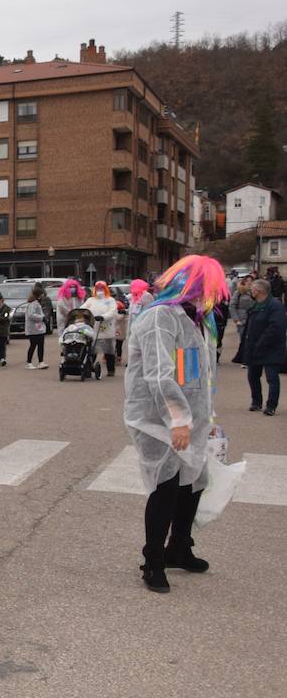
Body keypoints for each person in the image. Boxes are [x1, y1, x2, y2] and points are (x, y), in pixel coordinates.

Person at [123, 254, 228, 593]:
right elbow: (158, 374)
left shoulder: (192, 319)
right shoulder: (160, 318)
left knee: (195, 481)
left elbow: (196, 375)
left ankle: (179, 547)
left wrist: (204, 419)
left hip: (187, 419)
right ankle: (152, 560)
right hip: (155, 419)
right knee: (166, 486)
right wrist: (178, 420)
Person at [234, 278, 286, 416]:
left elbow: (275, 328)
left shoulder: (275, 306)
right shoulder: (254, 305)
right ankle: (256, 402)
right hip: (255, 347)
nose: (251, 290)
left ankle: (271, 405)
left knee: (272, 378)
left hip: (271, 348)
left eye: (253, 288)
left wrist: (261, 343)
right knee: (253, 375)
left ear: (259, 291)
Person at [80, 281, 120, 377]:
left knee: (108, 351)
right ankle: (88, 369)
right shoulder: (91, 300)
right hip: (93, 328)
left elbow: (113, 312)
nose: (99, 290)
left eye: (101, 288)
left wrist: (103, 317)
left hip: (106, 328)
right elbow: (83, 308)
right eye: (97, 288)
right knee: (92, 350)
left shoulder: (110, 300)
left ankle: (111, 370)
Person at [16, 284, 50, 369]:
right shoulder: (33, 304)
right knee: (33, 345)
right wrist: (42, 318)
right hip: (33, 329)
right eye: (42, 294)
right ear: (39, 295)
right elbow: (31, 315)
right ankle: (29, 362)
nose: (43, 296)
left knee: (40, 345)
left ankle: (41, 361)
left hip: (39, 329)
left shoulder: (37, 303)